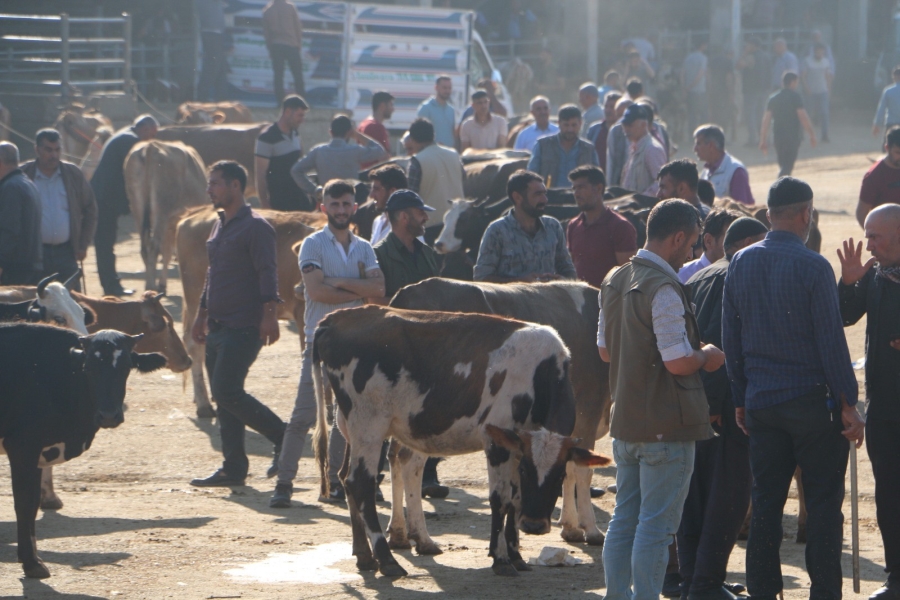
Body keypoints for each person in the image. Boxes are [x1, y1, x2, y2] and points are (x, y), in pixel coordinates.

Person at [722, 176, 865, 600]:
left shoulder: (741, 262)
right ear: (807, 214)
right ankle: (824, 593)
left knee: (766, 505)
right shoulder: (814, 266)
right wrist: (849, 402)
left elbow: (731, 339)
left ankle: (764, 592)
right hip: (812, 406)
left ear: (768, 215)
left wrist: (740, 396)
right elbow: (830, 340)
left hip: (762, 402)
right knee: (822, 507)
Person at [598, 199, 723, 600]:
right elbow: (678, 362)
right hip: (666, 429)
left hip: (626, 423)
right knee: (655, 527)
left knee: (624, 520)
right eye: (690, 247)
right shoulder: (664, 287)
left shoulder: (614, 278)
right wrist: (706, 356)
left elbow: (604, 350)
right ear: (678, 237)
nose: (691, 255)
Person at [271, 179, 385, 507]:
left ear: (354, 207)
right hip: (321, 343)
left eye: (346, 204)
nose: (340, 210)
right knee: (304, 415)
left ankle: (336, 482)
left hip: (354, 344)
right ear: (324, 208)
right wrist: (358, 287)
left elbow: (378, 289)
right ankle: (284, 483)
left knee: (345, 418)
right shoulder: (312, 245)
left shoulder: (364, 247)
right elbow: (317, 293)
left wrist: (335, 281)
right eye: (333, 205)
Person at [678, 217, 769, 600]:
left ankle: (694, 579)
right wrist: (716, 404)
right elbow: (716, 345)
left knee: (694, 496)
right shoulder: (736, 274)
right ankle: (705, 584)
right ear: (746, 243)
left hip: (692, 401)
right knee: (728, 497)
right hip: (724, 404)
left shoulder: (698, 276)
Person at [190, 161, 287, 489]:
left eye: (215, 183)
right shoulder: (220, 224)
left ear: (235, 186)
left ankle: (283, 436)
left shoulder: (256, 227)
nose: (209, 189)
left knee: (226, 390)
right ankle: (233, 468)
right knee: (224, 398)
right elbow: (212, 273)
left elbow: (267, 271)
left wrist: (270, 314)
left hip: (244, 324)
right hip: (217, 324)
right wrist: (201, 314)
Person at [837, 204, 900, 600]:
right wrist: (847, 282)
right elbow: (842, 315)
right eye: (867, 233)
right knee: (890, 496)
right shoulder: (875, 276)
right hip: (885, 411)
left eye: (875, 235)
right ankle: (896, 578)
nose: (868, 243)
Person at [21, 129, 97, 290]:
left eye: (57, 150)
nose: (54, 155)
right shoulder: (24, 175)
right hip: (35, 255)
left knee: (72, 303)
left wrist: (82, 244)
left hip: (67, 253)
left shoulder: (73, 174)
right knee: (37, 302)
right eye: (48, 150)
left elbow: (90, 209)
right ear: (37, 149)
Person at [91, 114, 159, 296]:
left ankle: (112, 285)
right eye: (152, 134)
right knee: (105, 244)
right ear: (144, 129)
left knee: (106, 244)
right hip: (103, 198)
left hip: (104, 197)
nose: (152, 139)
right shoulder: (130, 142)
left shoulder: (124, 136)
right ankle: (111, 287)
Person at [473, 169, 576, 282]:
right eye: (537, 194)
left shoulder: (553, 226)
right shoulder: (497, 231)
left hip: (548, 299)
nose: (545, 200)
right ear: (517, 197)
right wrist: (521, 282)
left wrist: (562, 280)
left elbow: (568, 270)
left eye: (544, 194)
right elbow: (481, 278)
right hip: (511, 300)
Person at [567, 165, 637, 287]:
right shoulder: (574, 226)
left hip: (609, 302)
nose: (576, 194)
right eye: (574, 189)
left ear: (599, 188)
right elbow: (571, 267)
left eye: (581, 187)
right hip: (581, 301)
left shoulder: (620, 227)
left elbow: (629, 276)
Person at [290, 115, 388, 196]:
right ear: (349, 132)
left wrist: (314, 190)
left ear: (330, 132)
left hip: (327, 198)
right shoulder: (355, 150)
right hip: (350, 199)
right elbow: (380, 151)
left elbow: (296, 170)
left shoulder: (318, 151)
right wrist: (358, 135)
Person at [406, 118, 465, 226]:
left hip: (430, 225)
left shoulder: (417, 161)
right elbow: (464, 182)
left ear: (413, 140)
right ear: (433, 135)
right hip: (457, 224)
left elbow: (411, 198)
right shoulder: (454, 155)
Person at [255, 95, 309, 211]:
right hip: (280, 200)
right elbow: (260, 174)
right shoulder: (267, 137)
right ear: (288, 112)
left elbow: (301, 164)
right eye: (299, 115)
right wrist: (264, 203)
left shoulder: (295, 133)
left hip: (299, 197)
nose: (302, 120)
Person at [527, 105, 599, 189]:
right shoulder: (542, 145)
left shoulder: (588, 149)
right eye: (566, 125)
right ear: (559, 123)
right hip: (550, 197)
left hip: (579, 198)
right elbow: (531, 175)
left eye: (574, 125)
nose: (570, 129)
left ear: (580, 123)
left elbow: (596, 179)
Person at [0, 142, 42, 286]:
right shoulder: (27, 183)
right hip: (30, 265)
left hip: (13, 269)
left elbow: (9, 231)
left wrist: (1, 262)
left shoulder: (10, 187)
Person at [760, 72, 816, 177]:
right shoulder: (795, 97)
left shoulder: (773, 98)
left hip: (778, 136)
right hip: (792, 136)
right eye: (796, 82)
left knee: (783, 164)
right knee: (788, 166)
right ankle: (780, 185)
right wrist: (812, 135)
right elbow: (803, 117)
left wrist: (763, 139)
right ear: (792, 82)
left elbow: (766, 120)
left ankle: (784, 186)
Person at [694, 124, 754, 205]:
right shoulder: (706, 172)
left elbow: (742, 209)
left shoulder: (736, 171)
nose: (695, 149)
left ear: (711, 145)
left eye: (698, 143)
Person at [678, 208, 741, 284]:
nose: (739, 247)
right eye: (731, 240)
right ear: (709, 241)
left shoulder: (741, 275)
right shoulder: (682, 277)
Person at [262, 0, 305, 104]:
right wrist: (298, 44)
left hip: (276, 45)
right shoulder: (290, 7)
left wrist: (270, 48)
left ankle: (280, 102)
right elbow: (298, 27)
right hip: (291, 44)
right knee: (297, 74)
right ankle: (301, 101)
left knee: (278, 75)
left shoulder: (267, 10)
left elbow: (266, 34)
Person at [354, 163, 407, 243]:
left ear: (393, 192)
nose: (371, 195)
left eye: (376, 189)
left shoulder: (408, 227)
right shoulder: (378, 221)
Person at [858, 126, 900, 227]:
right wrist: (876, 237)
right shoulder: (874, 176)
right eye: (898, 152)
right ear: (887, 148)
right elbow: (861, 213)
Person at [620, 104, 667, 196]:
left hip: (646, 207)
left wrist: (639, 198)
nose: (626, 129)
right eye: (624, 125)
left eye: (630, 125)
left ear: (644, 125)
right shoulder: (634, 148)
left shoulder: (652, 149)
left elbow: (662, 183)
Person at [738, 37, 771, 147]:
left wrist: (744, 54)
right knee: (762, 114)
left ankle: (752, 139)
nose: (746, 46)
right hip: (764, 89)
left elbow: (738, 65)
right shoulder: (766, 56)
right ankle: (765, 138)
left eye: (748, 45)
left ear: (753, 46)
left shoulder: (751, 57)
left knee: (750, 114)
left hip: (751, 90)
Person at [195, 0, 228, 101]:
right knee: (213, 66)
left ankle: (220, 98)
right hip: (212, 32)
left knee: (219, 66)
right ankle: (202, 96)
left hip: (215, 32)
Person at [802, 43, 833, 143]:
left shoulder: (826, 61)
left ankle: (825, 135)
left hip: (823, 91)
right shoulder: (808, 61)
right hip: (811, 91)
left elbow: (827, 76)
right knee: (808, 113)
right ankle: (801, 134)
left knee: (824, 113)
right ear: (814, 51)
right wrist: (807, 88)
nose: (820, 53)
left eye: (821, 51)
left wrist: (828, 89)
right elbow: (803, 76)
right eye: (818, 51)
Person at [586, 92, 622, 171]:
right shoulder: (594, 129)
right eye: (606, 106)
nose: (608, 110)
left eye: (612, 107)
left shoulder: (625, 132)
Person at [416, 75, 456, 147]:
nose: (447, 91)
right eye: (444, 88)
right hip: (431, 154)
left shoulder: (451, 110)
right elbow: (420, 134)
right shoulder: (426, 108)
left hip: (449, 154)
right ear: (436, 88)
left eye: (449, 88)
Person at [358, 91, 394, 169]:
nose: (393, 109)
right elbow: (384, 158)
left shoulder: (363, 124)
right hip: (375, 175)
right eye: (391, 105)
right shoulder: (376, 127)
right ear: (382, 106)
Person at [606, 96, 635, 187]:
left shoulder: (641, 129)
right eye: (619, 115)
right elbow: (611, 161)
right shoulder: (615, 130)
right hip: (619, 183)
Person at [682, 41, 709, 135]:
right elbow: (700, 74)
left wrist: (684, 88)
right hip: (699, 90)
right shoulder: (703, 58)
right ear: (702, 46)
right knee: (703, 114)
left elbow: (682, 73)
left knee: (691, 115)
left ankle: (691, 136)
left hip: (689, 91)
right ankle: (702, 135)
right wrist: (691, 86)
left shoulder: (688, 57)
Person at [873, 67, 900, 139]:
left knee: (889, 146)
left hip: (891, 123)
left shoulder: (888, 91)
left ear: (893, 77)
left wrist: (876, 123)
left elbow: (881, 109)